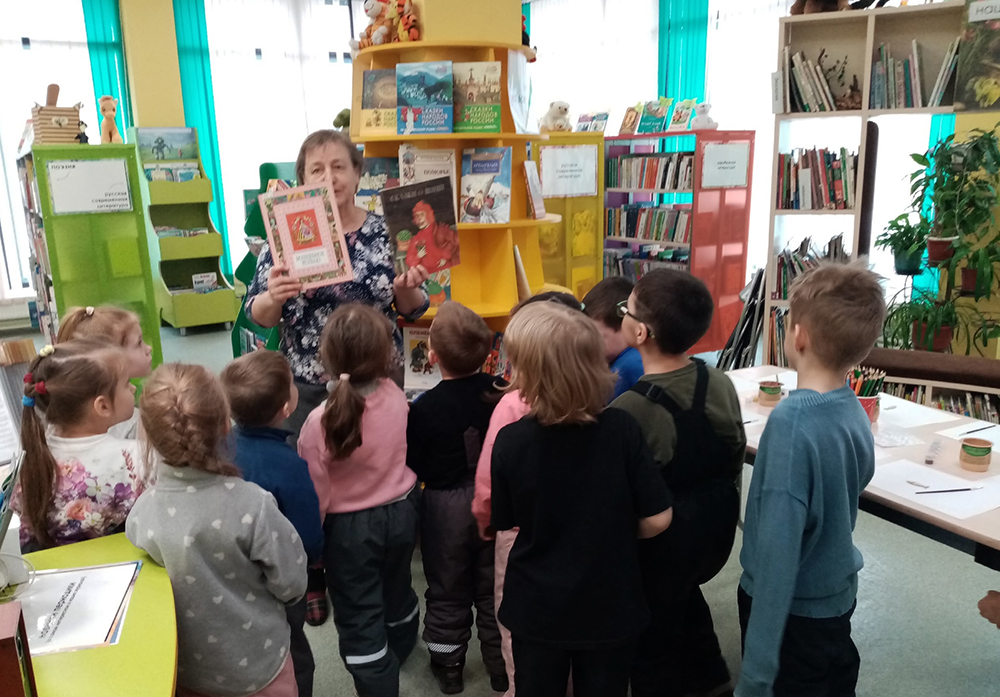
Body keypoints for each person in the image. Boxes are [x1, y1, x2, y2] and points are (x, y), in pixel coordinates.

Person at [490, 302, 673, 697]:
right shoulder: (623, 428)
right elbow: (658, 518)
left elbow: (506, 520)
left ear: (528, 375)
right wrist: (613, 529)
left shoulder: (511, 441)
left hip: (537, 608)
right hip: (611, 604)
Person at [736, 263, 886, 697]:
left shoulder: (791, 423)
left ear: (798, 336)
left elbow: (777, 559)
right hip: (835, 601)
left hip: (792, 614)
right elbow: (859, 476)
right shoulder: (853, 407)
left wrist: (755, 676)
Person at [126, 363, 308, 697]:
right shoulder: (254, 505)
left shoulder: (141, 513)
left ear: (149, 435)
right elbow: (292, 583)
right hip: (260, 667)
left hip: (188, 670)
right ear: (226, 424)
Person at [610, 270, 746, 697]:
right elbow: (734, 452)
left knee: (652, 640)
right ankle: (712, 678)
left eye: (626, 309)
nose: (623, 315)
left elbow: (619, 500)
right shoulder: (719, 381)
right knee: (684, 598)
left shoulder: (627, 410)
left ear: (641, 332)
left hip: (660, 548)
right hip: (715, 534)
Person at [246, 129, 431, 439]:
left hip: (378, 380)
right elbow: (258, 315)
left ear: (357, 174)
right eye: (317, 170)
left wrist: (405, 287)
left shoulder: (389, 232)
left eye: (339, 167)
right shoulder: (283, 238)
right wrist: (273, 297)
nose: (329, 177)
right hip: (308, 386)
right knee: (309, 463)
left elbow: (414, 309)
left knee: (381, 462)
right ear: (303, 180)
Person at [298, 303, 420, 697]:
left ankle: (376, 679)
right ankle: (401, 643)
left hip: (349, 530)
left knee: (357, 607)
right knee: (397, 585)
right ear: (385, 354)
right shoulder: (396, 395)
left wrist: (315, 544)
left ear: (327, 358)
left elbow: (315, 491)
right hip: (402, 512)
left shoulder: (319, 420)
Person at [470, 289, 584, 697]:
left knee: (517, 622)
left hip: (521, 535)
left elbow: (489, 481)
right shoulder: (592, 400)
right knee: (574, 618)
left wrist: (485, 520)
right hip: (580, 530)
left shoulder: (511, 407)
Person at [405, 301, 506, 695]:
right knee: (495, 588)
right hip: (495, 500)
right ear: (488, 352)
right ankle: (501, 668)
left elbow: (415, 463)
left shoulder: (424, 408)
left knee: (447, 588)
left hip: (443, 506)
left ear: (431, 356)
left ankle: (449, 668)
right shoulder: (501, 391)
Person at [221, 351, 325, 697]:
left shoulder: (217, 447)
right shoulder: (288, 465)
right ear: (287, 407)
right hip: (278, 581)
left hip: (231, 574)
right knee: (294, 651)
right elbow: (307, 536)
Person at [13, 340, 143, 551]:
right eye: (127, 383)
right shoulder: (133, 457)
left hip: (44, 565)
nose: (133, 387)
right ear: (102, 406)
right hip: (120, 562)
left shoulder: (33, 454)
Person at [56, 305, 154, 439]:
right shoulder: (130, 423)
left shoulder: (73, 418)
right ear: (112, 356)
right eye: (139, 343)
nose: (148, 348)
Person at [582, 277, 644, 400]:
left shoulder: (628, 367)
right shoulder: (632, 358)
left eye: (596, 336)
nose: (589, 343)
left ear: (624, 326)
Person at [404, 200, 460, 272]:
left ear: (428, 215)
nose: (419, 218)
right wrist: (418, 256)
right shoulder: (416, 238)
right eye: (417, 216)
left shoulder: (441, 230)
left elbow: (457, 241)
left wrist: (445, 256)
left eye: (422, 214)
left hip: (445, 268)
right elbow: (409, 261)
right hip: (428, 273)